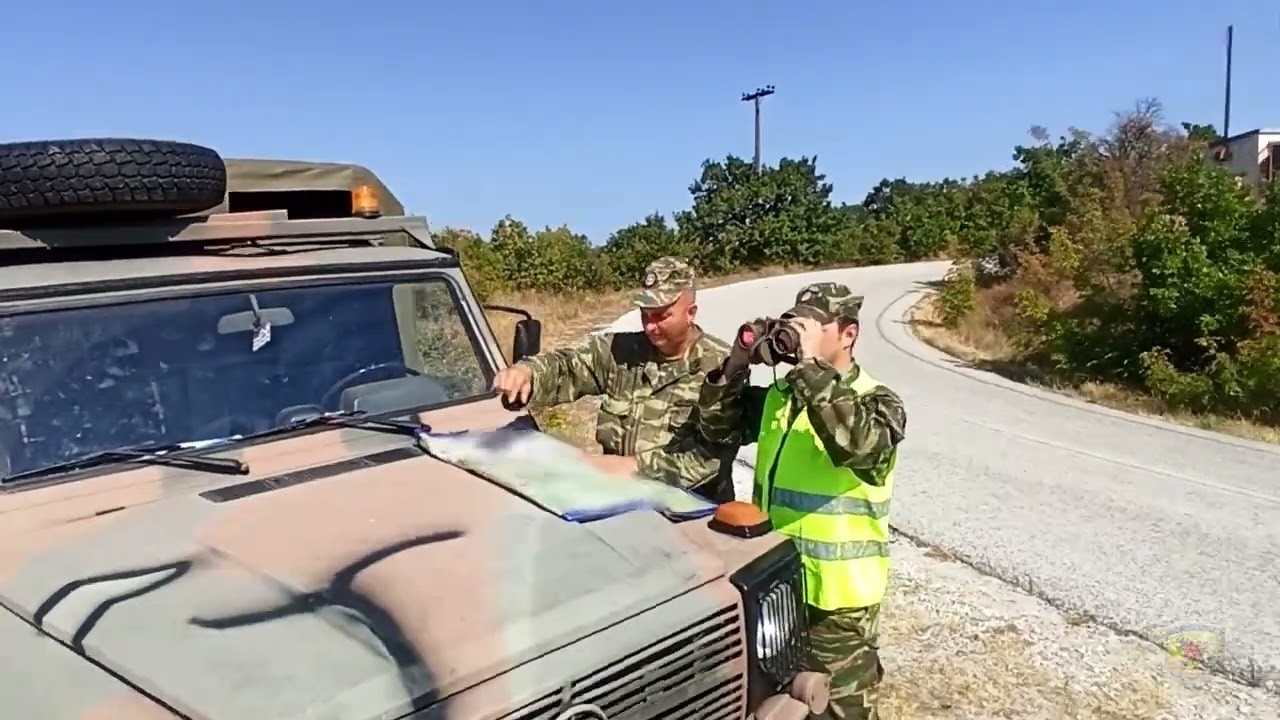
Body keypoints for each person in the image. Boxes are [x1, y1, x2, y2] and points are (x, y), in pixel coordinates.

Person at [696, 282, 906, 720]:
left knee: (838, 710)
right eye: (795, 323)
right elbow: (716, 428)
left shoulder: (878, 401)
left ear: (847, 334)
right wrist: (736, 362)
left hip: (837, 603)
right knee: (774, 701)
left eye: (813, 326)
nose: (799, 333)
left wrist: (810, 366)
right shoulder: (782, 397)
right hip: (777, 585)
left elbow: (859, 445)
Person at [491, 256, 736, 501]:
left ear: (690, 313)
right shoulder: (622, 351)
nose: (650, 327)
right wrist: (528, 372)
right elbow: (569, 367)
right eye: (645, 315)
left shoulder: (721, 367)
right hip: (620, 500)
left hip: (691, 510)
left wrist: (635, 467)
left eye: (661, 315)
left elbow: (711, 456)